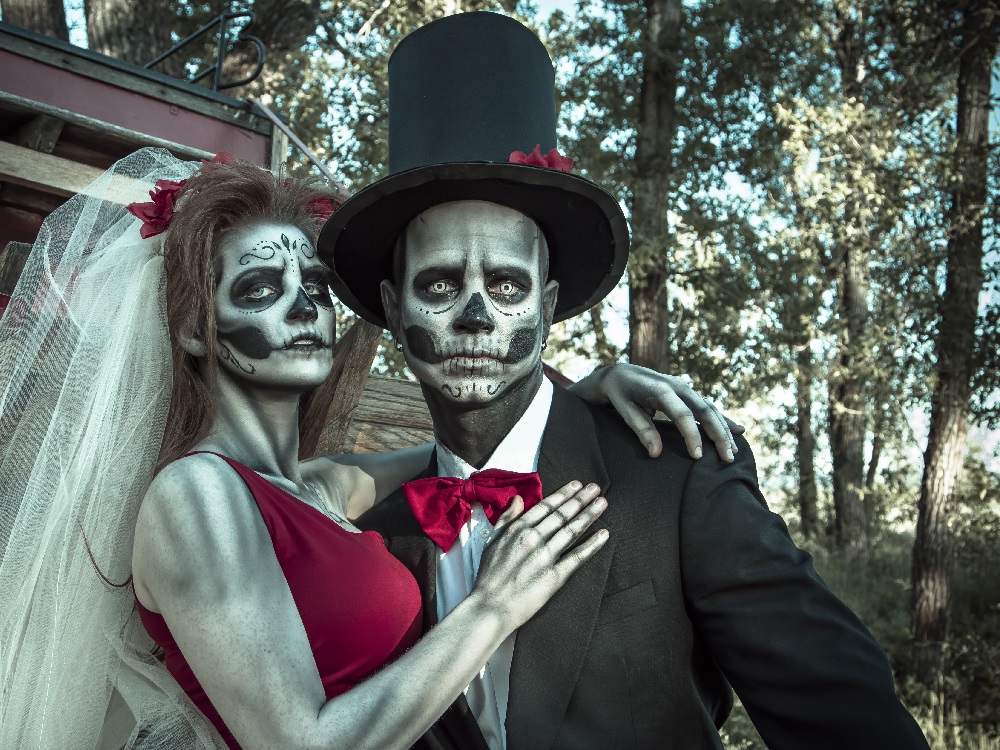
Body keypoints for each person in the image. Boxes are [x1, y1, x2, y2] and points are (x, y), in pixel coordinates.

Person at [317, 12, 931, 749]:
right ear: (393, 306)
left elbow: (851, 725)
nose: (477, 317)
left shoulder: (677, 476)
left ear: (547, 309)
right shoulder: (374, 541)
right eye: (443, 285)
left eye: (508, 287)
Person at [0, 148, 740, 750]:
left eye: (314, 285)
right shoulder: (195, 497)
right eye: (259, 288)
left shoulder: (320, 489)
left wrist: (583, 389)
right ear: (197, 331)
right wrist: (493, 607)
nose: (302, 306)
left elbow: (450, 452)